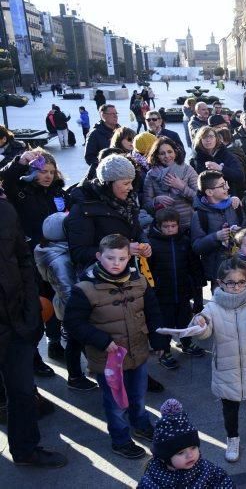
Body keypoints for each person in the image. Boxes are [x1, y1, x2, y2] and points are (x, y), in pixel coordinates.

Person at [63, 234, 169, 459]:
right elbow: (73, 323)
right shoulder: (85, 289)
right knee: (115, 402)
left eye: (122, 258)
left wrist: (159, 340)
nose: (116, 263)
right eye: (110, 258)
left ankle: (140, 423)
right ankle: (120, 439)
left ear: (129, 258)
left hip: (137, 352)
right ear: (99, 256)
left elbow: (153, 311)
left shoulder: (139, 281)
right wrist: (101, 340)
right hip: (108, 359)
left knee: (138, 395)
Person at [188, 258, 246, 463]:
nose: (237, 287)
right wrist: (200, 323)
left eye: (242, 282)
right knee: (229, 408)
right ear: (220, 283)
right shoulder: (212, 307)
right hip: (226, 368)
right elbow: (203, 333)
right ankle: (232, 438)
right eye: (231, 282)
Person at [0, 197, 67, 468]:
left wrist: (30, 309)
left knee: (22, 391)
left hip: (15, 321)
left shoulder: (4, 209)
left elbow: (23, 258)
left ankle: (26, 449)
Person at [34, 212, 97, 390]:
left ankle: (86, 372)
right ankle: (76, 377)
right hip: (72, 306)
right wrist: (80, 312)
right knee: (76, 341)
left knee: (75, 341)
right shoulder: (59, 260)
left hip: (68, 303)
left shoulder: (55, 249)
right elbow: (67, 289)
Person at [148, 208, 205, 364]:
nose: (170, 229)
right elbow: (148, 271)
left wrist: (197, 286)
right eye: (166, 226)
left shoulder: (185, 241)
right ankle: (164, 351)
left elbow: (194, 265)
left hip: (183, 291)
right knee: (164, 323)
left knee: (184, 320)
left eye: (173, 226)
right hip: (162, 293)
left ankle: (186, 343)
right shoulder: (151, 244)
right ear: (159, 226)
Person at [139, 398, 234, 488]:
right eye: (180, 453)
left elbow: (224, 483)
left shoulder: (206, 469)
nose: (190, 455)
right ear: (164, 457)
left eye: (193, 447)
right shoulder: (152, 480)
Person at [190, 170, 246, 284]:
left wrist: (240, 232)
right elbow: (197, 246)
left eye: (225, 184)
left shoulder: (234, 205)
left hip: (240, 266)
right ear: (210, 192)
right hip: (217, 272)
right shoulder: (199, 215)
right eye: (222, 186)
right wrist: (215, 237)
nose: (227, 188)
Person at [143, 137, 198, 230]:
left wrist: (182, 187)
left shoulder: (188, 170)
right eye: (162, 153)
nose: (167, 156)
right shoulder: (151, 175)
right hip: (164, 227)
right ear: (157, 156)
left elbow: (199, 199)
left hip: (188, 224)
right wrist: (156, 200)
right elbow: (146, 204)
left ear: (175, 153)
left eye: (169, 152)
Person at [190, 126, 245, 197]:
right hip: (206, 198)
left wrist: (221, 168)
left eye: (211, 136)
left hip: (229, 195)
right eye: (204, 137)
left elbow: (240, 176)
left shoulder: (226, 154)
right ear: (200, 140)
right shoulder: (196, 159)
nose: (208, 140)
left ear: (216, 138)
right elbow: (194, 183)